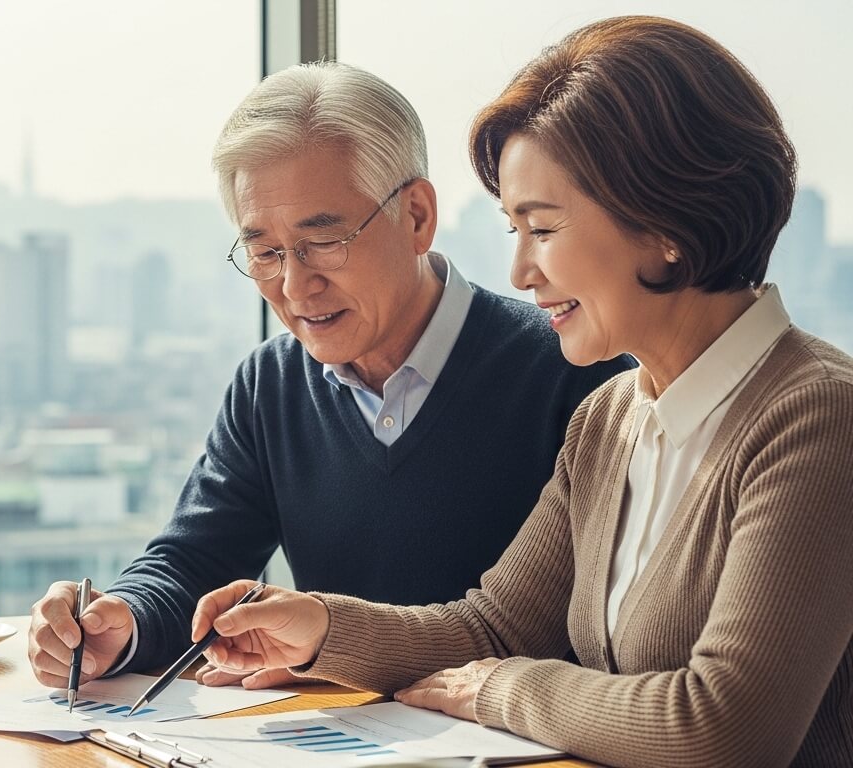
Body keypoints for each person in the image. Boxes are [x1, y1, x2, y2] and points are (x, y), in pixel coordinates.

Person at [190, 16, 853, 767]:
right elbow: (494, 628)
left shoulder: (819, 416)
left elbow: (724, 728)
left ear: (663, 219)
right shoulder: (613, 417)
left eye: (541, 228)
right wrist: (320, 628)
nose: (520, 274)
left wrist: (503, 690)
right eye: (514, 231)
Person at [27, 62, 632, 691]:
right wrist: (120, 621)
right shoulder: (271, 384)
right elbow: (196, 560)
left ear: (417, 216)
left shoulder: (577, 374)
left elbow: (564, 635)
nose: (293, 286)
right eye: (265, 252)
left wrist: (339, 651)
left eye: (324, 240)